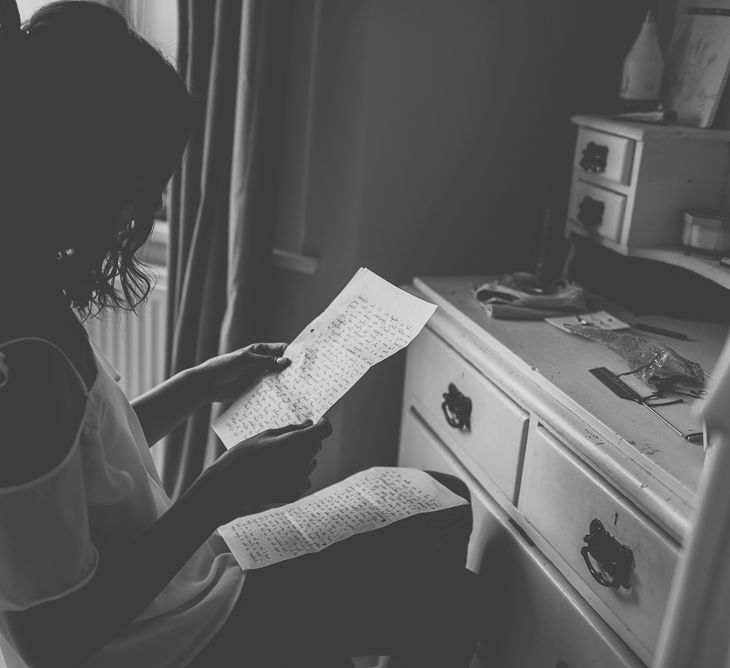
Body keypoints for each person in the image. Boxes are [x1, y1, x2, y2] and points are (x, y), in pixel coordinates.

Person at [0, 1, 481, 666]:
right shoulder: (22, 358)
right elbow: (51, 640)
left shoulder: (28, 297)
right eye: (143, 184)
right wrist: (219, 492)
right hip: (170, 639)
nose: (153, 207)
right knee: (442, 530)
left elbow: (90, 466)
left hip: (178, 594)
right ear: (83, 174)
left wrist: (200, 385)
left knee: (439, 503)